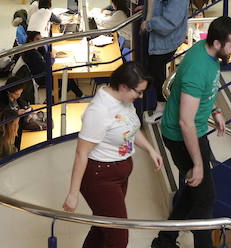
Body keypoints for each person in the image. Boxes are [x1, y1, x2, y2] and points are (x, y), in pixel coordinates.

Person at [152, 16, 231, 248]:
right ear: (218, 43)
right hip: (182, 136)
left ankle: (165, 241)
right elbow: (185, 122)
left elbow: (204, 92)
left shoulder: (208, 52)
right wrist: (198, 164)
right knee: (205, 199)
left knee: (194, 193)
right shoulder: (197, 67)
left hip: (194, 130)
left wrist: (216, 110)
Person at [62, 62, 163, 248]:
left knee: (102, 227)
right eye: (138, 92)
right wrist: (73, 194)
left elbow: (130, 128)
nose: (140, 97)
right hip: (100, 177)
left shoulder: (124, 101)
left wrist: (150, 149)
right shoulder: (99, 111)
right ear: (123, 87)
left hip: (119, 172)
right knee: (118, 238)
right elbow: (81, 153)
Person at [141, 0, 190, 124]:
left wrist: (149, 23)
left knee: (156, 71)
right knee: (153, 70)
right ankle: (164, 105)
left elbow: (172, 19)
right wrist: (146, 8)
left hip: (165, 37)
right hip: (154, 31)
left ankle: (163, 107)